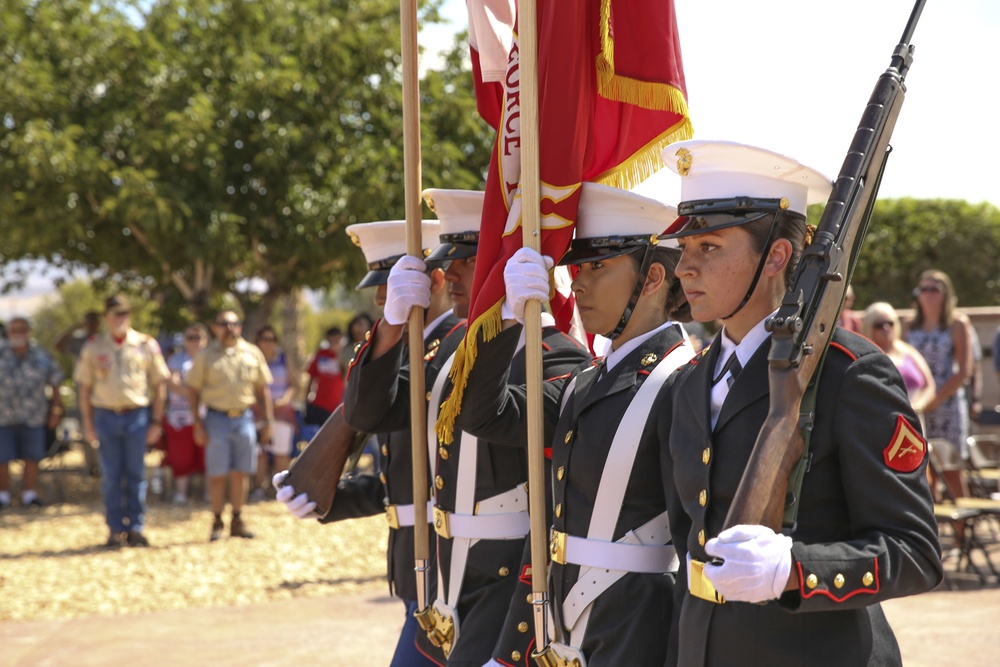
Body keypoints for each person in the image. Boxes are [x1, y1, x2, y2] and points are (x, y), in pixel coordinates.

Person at [658, 139, 942, 666]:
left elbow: (915, 552)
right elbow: (687, 548)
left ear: (777, 257)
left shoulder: (848, 374)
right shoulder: (688, 384)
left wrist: (796, 569)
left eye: (709, 248)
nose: (683, 269)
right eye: (684, 250)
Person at [453, 183, 693, 666]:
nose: (577, 282)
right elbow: (482, 413)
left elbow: (693, 542)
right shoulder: (586, 381)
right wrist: (506, 319)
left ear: (651, 280)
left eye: (597, 266)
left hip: (637, 629)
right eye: (576, 267)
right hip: (564, 627)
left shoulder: (684, 381)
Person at [348, 189, 590, 667]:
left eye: (466, 259)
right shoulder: (452, 352)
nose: (452, 273)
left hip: (504, 586)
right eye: (450, 260)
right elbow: (367, 413)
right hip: (446, 579)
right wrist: (393, 324)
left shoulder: (555, 354)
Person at [277, 216, 450, 667]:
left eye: (391, 282)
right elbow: (402, 481)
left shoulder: (453, 353)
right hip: (415, 565)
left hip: (449, 565)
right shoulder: (405, 354)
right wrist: (331, 497)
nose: (379, 299)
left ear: (434, 280)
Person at [76, 295, 169, 548]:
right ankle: (115, 529)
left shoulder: (145, 344)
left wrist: (156, 421)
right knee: (111, 475)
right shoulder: (94, 346)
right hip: (106, 415)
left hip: (137, 415)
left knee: (137, 474)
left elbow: (159, 385)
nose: (121, 318)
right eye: (116, 313)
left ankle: (136, 527)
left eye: (125, 313)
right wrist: (88, 423)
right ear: (106, 316)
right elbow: (84, 388)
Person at [187, 309, 273, 541]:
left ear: (240, 327)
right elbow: (193, 391)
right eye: (224, 323)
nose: (229, 328)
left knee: (241, 473)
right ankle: (217, 520)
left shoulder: (252, 353)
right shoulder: (206, 356)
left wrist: (267, 421)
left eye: (234, 323)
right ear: (215, 327)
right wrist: (197, 423)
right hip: (216, 419)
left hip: (244, 418)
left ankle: (237, 518)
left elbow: (262, 389)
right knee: (216, 474)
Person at [905, 270, 974, 457]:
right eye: (923, 289)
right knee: (922, 468)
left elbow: (964, 371)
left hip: (947, 404)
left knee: (951, 470)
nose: (928, 294)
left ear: (945, 293)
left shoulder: (957, 323)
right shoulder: (908, 325)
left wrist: (934, 400)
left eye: (934, 289)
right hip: (917, 405)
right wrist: (919, 403)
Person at [0, 317, 65, 510]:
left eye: (21, 330)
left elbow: (56, 381)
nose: (17, 334)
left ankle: (30, 494)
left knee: (32, 456)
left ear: (28, 332)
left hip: (34, 416)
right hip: (3, 416)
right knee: (2, 457)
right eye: (13, 331)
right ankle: (3, 495)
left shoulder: (41, 355)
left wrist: (56, 409)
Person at [162, 323, 208, 504]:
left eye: (198, 337)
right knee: (182, 456)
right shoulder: (176, 360)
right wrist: (194, 393)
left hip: (207, 416)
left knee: (207, 457)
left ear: (205, 340)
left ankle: (209, 493)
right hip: (180, 417)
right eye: (190, 337)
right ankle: (181, 493)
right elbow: (171, 383)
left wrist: (195, 393)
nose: (194, 341)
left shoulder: (210, 359)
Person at [861, 302, 936, 415]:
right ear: (868, 327)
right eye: (879, 325)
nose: (886, 328)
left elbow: (929, 385)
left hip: (915, 419)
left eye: (890, 323)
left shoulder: (909, 351)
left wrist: (916, 408)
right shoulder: (866, 358)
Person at [251, 325, 297, 501]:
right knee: (260, 452)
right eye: (264, 339)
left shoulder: (284, 359)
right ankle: (258, 489)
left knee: (281, 452)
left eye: (272, 339)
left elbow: (293, 384)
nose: (268, 343)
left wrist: (285, 399)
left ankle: (282, 489)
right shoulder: (253, 360)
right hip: (259, 413)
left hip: (283, 413)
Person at [304, 326, 346, 428]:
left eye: (337, 339)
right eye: (331, 339)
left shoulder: (345, 356)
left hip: (336, 408)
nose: (334, 342)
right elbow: (311, 376)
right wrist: (305, 399)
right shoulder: (321, 354)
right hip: (318, 405)